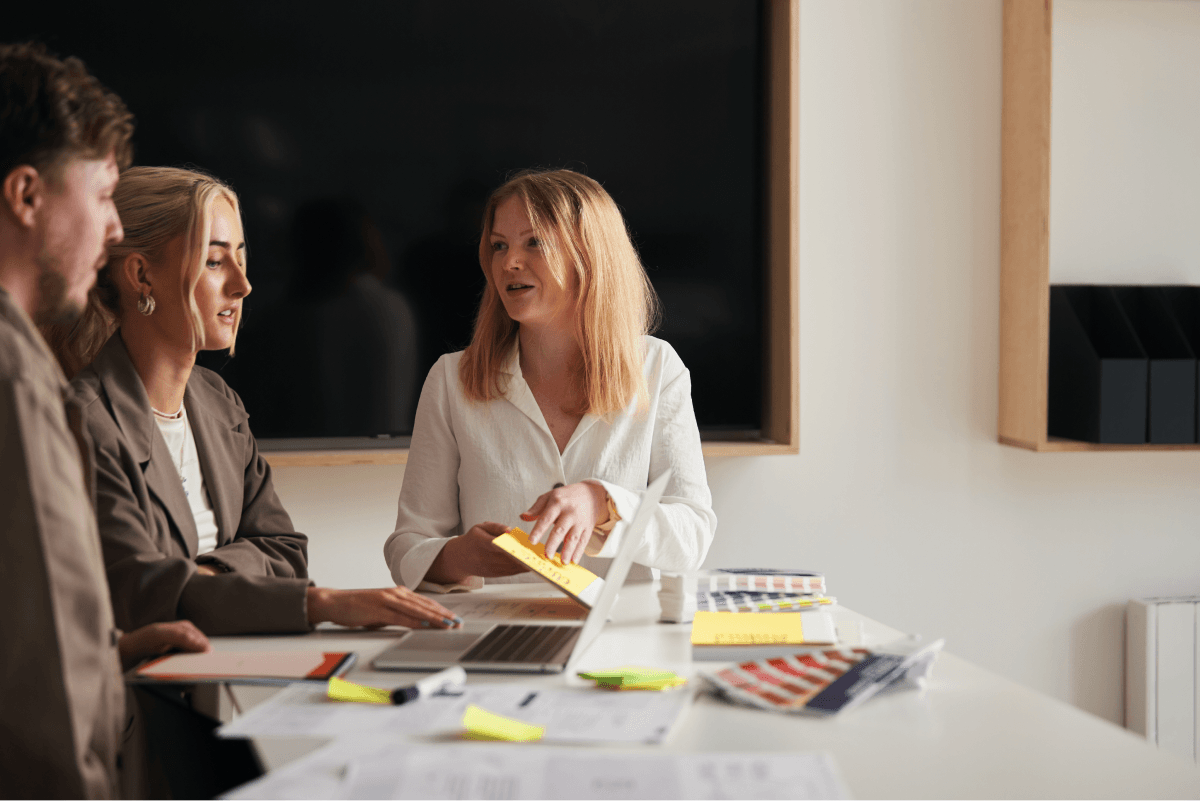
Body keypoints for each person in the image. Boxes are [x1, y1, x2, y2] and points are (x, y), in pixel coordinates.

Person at [52, 166, 462, 636]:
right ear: (142, 275)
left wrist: (199, 578)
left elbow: (286, 552)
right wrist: (320, 604)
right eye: (214, 261)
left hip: (231, 663)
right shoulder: (83, 421)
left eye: (241, 258)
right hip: (147, 695)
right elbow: (142, 593)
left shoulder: (217, 399)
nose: (242, 286)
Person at [0, 43, 209, 800]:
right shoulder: (16, 376)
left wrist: (108, 646)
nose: (117, 231)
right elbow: (40, 692)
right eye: (102, 195)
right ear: (26, 195)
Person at [384, 169, 716, 591]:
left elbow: (692, 536)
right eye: (499, 246)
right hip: (495, 637)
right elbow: (406, 547)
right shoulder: (451, 379)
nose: (509, 262)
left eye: (533, 242)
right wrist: (458, 556)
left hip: (617, 640)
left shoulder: (657, 367)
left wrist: (603, 503)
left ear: (588, 254)